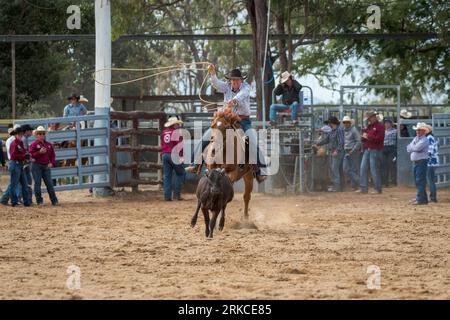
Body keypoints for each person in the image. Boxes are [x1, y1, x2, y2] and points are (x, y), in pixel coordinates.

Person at [186, 64, 266, 183]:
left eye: (236, 80)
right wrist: (212, 73)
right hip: (226, 119)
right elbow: (216, 83)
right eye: (232, 80)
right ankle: (195, 164)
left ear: (241, 80)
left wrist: (234, 100)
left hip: (242, 120)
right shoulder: (226, 87)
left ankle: (260, 170)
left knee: (252, 141)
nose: (234, 82)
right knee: (206, 137)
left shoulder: (246, 87)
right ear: (230, 80)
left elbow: (243, 94)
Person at [313, 116, 345, 192]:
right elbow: (326, 140)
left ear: (332, 123)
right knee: (337, 169)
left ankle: (337, 187)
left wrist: (337, 150)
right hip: (334, 151)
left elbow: (341, 142)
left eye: (329, 123)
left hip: (337, 152)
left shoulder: (339, 130)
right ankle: (340, 187)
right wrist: (318, 144)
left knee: (334, 169)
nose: (328, 124)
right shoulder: (332, 131)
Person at [29, 126, 58, 206]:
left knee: (49, 183)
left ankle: (54, 200)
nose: (41, 135)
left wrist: (52, 163)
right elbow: (31, 156)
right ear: (36, 135)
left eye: (42, 133)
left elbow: (53, 156)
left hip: (46, 166)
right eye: (39, 133)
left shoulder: (49, 145)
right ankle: (39, 201)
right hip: (36, 166)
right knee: (37, 184)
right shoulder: (33, 145)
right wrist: (39, 153)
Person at [357, 111, 385, 194]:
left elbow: (380, 138)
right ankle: (363, 188)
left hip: (375, 149)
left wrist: (368, 136)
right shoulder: (369, 126)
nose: (369, 120)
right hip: (367, 148)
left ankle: (377, 188)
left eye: (369, 118)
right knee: (363, 168)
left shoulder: (380, 126)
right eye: (368, 119)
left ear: (374, 117)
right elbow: (365, 137)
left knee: (374, 169)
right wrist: (363, 138)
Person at [3, 126, 31, 207]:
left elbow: (22, 152)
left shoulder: (20, 143)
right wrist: (24, 156)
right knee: (14, 184)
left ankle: (26, 201)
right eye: (19, 134)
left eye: (21, 134)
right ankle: (14, 201)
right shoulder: (13, 144)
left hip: (19, 164)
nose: (20, 136)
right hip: (15, 164)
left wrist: (26, 155)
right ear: (16, 135)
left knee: (24, 184)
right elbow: (13, 155)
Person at [161, 117, 186, 201]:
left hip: (165, 155)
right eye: (177, 124)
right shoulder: (175, 133)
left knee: (167, 176)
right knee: (180, 173)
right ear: (174, 124)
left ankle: (167, 196)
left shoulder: (164, 133)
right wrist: (181, 156)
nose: (179, 125)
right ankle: (177, 194)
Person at [406, 123, 430, 205]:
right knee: (419, 181)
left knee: (420, 181)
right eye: (417, 130)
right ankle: (423, 199)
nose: (417, 131)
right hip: (417, 162)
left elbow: (415, 148)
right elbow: (408, 148)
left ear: (424, 131)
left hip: (421, 162)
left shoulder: (424, 140)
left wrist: (413, 147)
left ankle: (420, 199)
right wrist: (413, 148)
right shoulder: (417, 139)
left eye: (419, 130)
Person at [341, 116, 361, 190]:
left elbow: (358, 141)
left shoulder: (354, 130)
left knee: (352, 169)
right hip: (347, 151)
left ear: (350, 123)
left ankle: (355, 185)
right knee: (346, 169)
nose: (346, 124)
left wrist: (353, 150)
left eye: (347, 122)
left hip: (353, 152)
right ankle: (360, 182)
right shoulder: (344, 130)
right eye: (344, 122)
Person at [425, 124, 439, 203]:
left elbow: (430, 151)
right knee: (431, 180)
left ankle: (433, 197)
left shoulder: (429, 138)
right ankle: (433, 197)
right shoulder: (430, 137)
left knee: (430, 180)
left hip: (430, 162)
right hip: (433, 162)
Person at [382, 118, 397, 187]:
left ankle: (393, 181)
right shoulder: (382, 131)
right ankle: (386, 182)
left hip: (391, 148)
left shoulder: (395, 131)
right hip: (384, 148)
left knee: (391, 164)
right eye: (386, 123)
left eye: (388, 123)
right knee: (384, 166)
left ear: (391, 124)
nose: (387, 124)